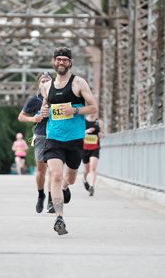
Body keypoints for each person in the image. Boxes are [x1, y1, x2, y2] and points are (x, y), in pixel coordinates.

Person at [40, 47, 98, 235]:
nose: (61, 62)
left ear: (70, 62)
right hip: (53, 138)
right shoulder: (47, 86)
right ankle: (59, 218)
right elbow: (46, 107)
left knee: (70, 178)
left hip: (74, 139)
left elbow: (93, 108)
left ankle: (65, 187)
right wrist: (42, 112)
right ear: (53, 62)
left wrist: (75, 111)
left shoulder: (78, 83)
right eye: (58, 59)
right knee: (55, 175)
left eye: (65, 59)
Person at [18, 72, 55, 213]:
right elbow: (21, 117)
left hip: (57, 136)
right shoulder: (34, 100)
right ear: (39, 84)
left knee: (54, 170)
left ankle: (52, 199)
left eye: (48, 80)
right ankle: (41, 195)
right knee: (41, 170)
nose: (45, 83)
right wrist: (33, 119)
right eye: (43, 81)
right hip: (40, 136)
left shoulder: (59, 98)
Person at [82, 114, 104, 196]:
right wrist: (86, 132)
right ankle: (84, 179)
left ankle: (91, 186)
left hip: (95, 147)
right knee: (87, 170)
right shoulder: (83, 121)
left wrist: (101, 135)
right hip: (85, 148)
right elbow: (78, 134)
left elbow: (102, 133)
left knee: (93, 167)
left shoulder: (99, 122)